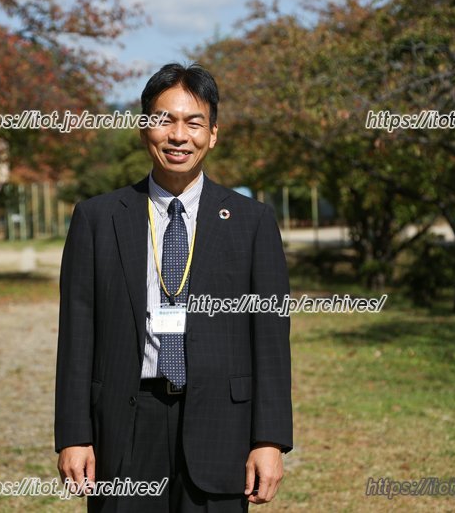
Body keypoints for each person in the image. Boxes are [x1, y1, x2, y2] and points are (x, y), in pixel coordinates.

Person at [55, 62, 292, 512]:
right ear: (145, 129)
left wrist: (270, 439)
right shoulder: (97, 219)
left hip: (223, 427)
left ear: (213, 133)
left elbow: (271, 340)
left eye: (194, 122)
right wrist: (73, 435)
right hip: (125, 424)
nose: (179, 136)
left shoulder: (252, 222)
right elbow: (76, 334)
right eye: (165, 120)